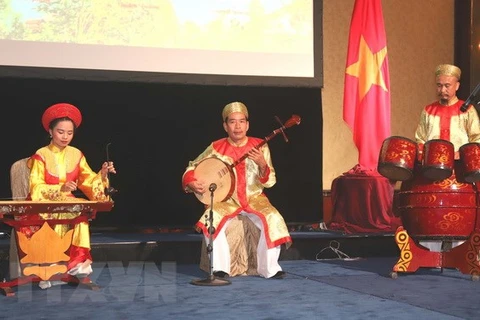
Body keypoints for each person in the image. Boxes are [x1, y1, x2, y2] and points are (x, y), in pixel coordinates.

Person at [182, 101, 292, 279]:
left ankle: (270, 269)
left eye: (241, 121)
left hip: (254, 198)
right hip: (226, 201)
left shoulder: (260, 145)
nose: (237, 126)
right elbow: (192, 166)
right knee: (211, 218)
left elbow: (270, 182)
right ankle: (219, 268)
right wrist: (192, 181)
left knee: (273, 218)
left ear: (247, 125)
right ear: (225, 126)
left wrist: (262, 165)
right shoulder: (216, 147)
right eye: (232, 122)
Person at [16, 102, 116, 289]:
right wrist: (60, 189)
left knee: (80, 214)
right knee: (57, 216)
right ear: (50, 131)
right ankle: (49, 267)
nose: (65, 137)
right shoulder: (41, 155)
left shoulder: (76, 154)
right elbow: (36, 186)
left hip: (68, 203)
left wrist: (101, 175)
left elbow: (87, 180)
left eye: (69, 133)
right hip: (45, 204)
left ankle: (77, 264)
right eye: (60, 132)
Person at [414, 64, 480, 252]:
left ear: (457, 86)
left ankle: (460, 254)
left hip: (459, 173)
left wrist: (461, 153)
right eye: (439, 85)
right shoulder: (428, 110)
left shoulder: (467, 110)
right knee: (432, 212)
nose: (442, 90)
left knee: (459, 214)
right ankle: (432, 255)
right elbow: (420, 139)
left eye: (447, 86)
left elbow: (477, 139)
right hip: (432, 173)